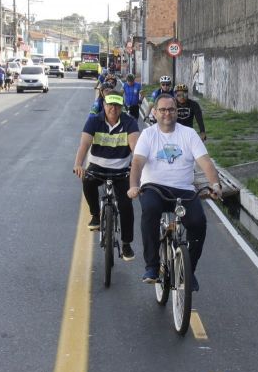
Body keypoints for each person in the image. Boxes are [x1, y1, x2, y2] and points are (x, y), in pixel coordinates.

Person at [127, 94, 222, 291]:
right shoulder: (148, 135)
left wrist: (215, 184)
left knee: (198, 223)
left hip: (184, 190)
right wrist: (134, 185)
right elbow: (137, 163)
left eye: (171, 109)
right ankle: (152, 266)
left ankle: (189, 271)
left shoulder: (188, 134)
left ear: (176, 112)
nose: (166, 114)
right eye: (162, 110)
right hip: (154, 187)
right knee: (150, 211)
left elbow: (205, 162)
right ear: (155, 113)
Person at [74, 91, 140, 260]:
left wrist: (138, 166)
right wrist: (78, 164)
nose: (113, 108)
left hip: (122, 170)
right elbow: (84, 144)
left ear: (122, 107)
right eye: (110, 104)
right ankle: (95, 215)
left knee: (126, 206)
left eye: (117, 105)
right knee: (87, 181)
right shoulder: (94, 120)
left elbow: (135, 146)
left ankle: (126, 244)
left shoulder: (129, 122)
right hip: (97, 167)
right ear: (104, 105)